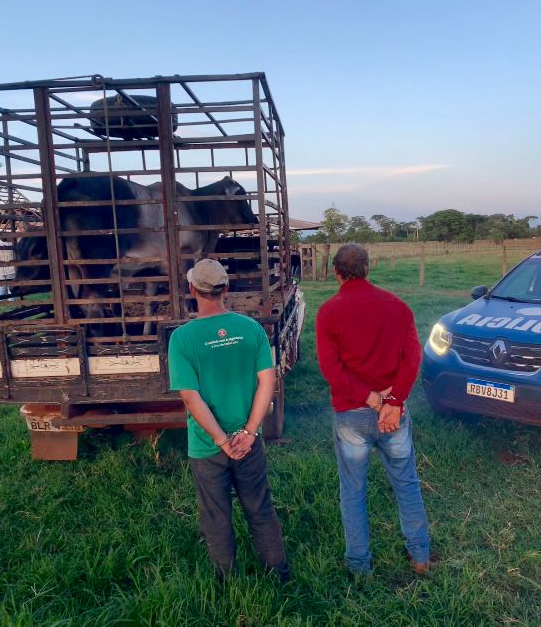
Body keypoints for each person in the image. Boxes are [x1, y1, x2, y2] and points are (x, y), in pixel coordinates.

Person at [168, 259, 289, 581]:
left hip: (207, 446)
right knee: (260, 508)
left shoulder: (182, 338)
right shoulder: (251, 329)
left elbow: (190, 397)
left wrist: (221, 440)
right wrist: (249, 433)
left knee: (216, 517)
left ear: (192, 289)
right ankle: (278, 574)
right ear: (227, 289)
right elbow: (268, 381)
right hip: (249, 443)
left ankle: (227, 581)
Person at [315, 243, 431, 575]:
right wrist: (392, 403)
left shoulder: (329, 312)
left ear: (336, 271)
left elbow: (331, 370)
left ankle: (359, 565)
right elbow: (412, 360)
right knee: (406, 482)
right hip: (393, 415)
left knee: (352, 490)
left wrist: (370, 399)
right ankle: (420, 556)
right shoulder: (399, 307)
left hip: (351, 415)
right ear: (367, 269)